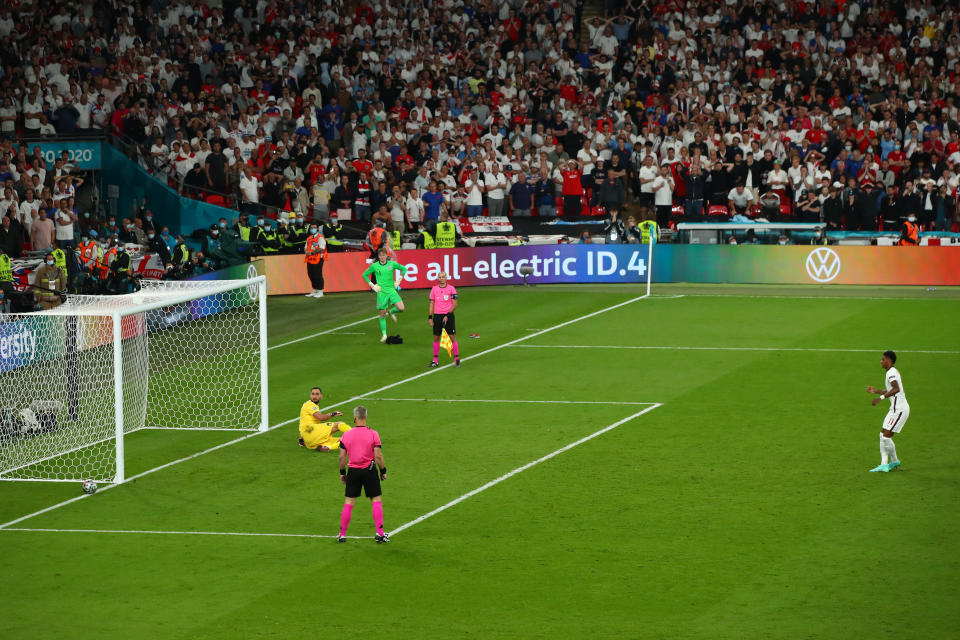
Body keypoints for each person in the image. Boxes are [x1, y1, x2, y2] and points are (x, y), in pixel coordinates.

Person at [337, 405, 388, 543]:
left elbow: (342, 457)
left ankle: (342, 534)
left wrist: (343, 473)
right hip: (370, 470)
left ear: (354, 418)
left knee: (349, 502)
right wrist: (383, 470)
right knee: (376, 500)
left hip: (353, 471)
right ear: (366, 417)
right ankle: (380, 533)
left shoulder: (346, 434)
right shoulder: (373, 433)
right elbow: (378, 455)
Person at [865, 351, 909, 473]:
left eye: (883, 359)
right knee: (882, 435)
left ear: (889, 361)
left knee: (886, 437)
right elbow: (890, 390)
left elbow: (896, 389)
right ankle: (884, 464)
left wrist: (880, 398)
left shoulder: (891, 373)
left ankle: (894, 461)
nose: (881, 361)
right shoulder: (892, 372)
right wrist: (876, 391)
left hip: (899, 410)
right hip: (894, 409)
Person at [362, 246, 407, 342]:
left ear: (387, 255)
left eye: (383, 255)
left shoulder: (392, 264)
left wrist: (399, 280)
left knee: (401, 308)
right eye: (380, 255)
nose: (382, 257)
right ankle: (384, 335)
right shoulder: (375, 266)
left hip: (391, 290)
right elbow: (364, 275)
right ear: (378, 256)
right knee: (382, 314)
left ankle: (391, 312)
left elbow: (404, 269)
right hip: (381, 292)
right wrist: (372, 285)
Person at [298, 386, 346, 451]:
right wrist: (333, 413)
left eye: (317, 394)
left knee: (342, 440)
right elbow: (321, 417)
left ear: (321, 396)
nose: (314, 396)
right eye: (313, 394)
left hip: (309, 441)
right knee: (340, 424)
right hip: (312, 432)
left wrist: (301, 440)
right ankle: (357, 435)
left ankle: (325, 447)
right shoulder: (310, 405)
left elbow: (303, 423)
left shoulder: (307, 405)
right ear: (310, 395)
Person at [428, 271, 460, 368]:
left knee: (452, 337)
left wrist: (447, 315)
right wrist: (430, 317)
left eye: (443, 277)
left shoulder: (451, 289)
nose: (441, 279)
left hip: (449, 315)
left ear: (446, 278)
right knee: (437, 337)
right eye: (440, 277)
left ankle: (457, 359)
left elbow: (455, 304)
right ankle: (435, 360)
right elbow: (432, 304)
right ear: (438, 279)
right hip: (437, 316)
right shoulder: (434, 289)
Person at [304, 224, 327, 298]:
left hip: (318, 258)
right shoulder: (309, 238)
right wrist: (306, 251)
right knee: (311, 274)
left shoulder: (320, 237)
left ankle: (320, 291)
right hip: (310, 259)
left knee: (317, 274)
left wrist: (312, 253)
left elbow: (322, 248)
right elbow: (305, 247)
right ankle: (315, 289)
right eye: (311, 228)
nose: (313, 229)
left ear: (317, 229)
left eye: (314, 228)